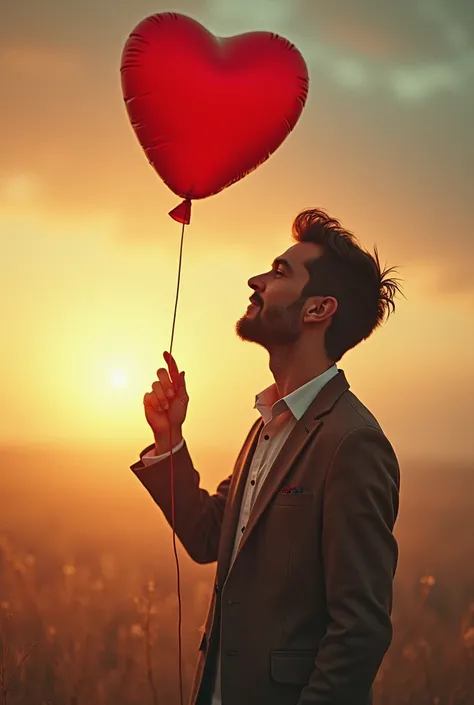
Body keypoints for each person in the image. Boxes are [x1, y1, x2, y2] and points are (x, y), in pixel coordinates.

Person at [130, 208, 402, 705]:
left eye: (279, 272)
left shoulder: (352, 443)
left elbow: (359, 631)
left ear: (318, 310)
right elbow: (211, 535)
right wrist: (170, 440)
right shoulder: (266, 425)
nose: (256, 280)